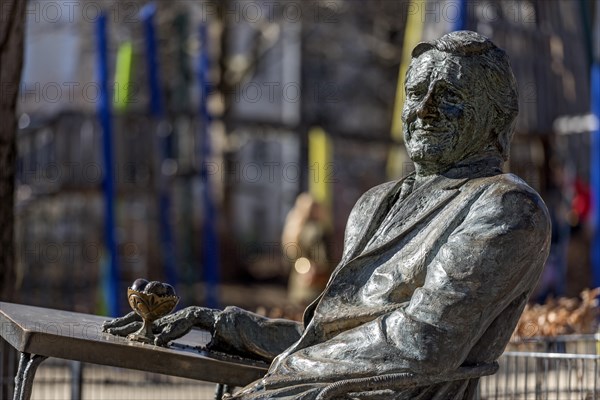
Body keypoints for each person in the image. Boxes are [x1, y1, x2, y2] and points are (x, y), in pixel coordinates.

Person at [104, 31, 551, 399]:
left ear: (497, 118)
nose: (425, 109)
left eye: (449, 96)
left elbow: (422, 342)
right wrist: (222, 323)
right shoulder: (376, 202)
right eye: (416, 92)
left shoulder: (505, 207)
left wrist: (281, 369)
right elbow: (329, 339)